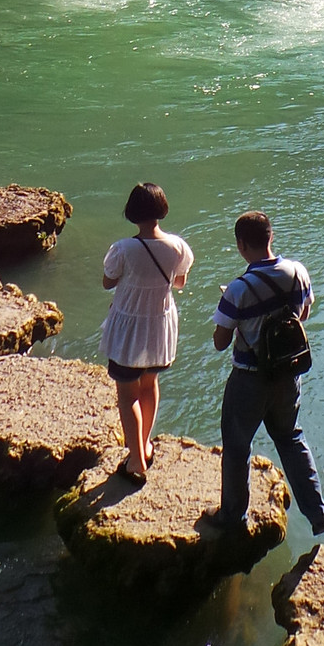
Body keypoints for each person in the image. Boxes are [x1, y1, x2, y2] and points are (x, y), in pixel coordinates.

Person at [205, 210, 324, 536]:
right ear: (271, 237)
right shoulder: (297, 273)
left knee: (236, 446)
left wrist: (241, 320)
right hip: (288, 374)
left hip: (249, 378)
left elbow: (220, 342)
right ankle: (318, 513)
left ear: (241, 245)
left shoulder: (237, 289)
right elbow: (303, 313)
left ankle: (233, 516)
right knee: (291, 438)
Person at [100, 182, 194, 483]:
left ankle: (136, 460)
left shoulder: (122, 249)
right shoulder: (178, 246)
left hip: (129, 325)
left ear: (132, 213)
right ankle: (145, 444)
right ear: (161, 209)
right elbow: (179, 283)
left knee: (127, 393)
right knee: (149, 383)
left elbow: (107, 282)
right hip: (159, 324)